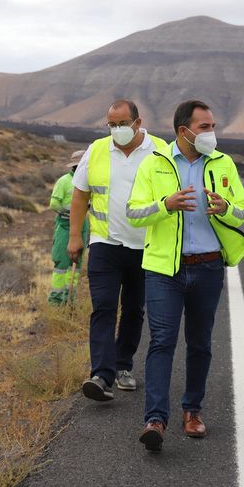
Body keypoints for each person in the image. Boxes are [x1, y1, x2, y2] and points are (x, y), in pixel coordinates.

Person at [127, 99, 244, 452]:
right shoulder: (154, 165)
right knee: (162, 342)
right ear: (184, 131)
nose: (212, 133)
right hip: (164, 270)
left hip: (209, 267)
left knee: (200, 343)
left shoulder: (224, 163)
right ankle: (155, 419)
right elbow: (134, 213)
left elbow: (242, 211)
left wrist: (226, 208)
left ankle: (193, 411)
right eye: (205, 127)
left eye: (213, 126)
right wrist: (165, 206)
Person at [68, 99, 166, 401]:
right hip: (104, 243)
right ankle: (101, 375)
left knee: (135, 309)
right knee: (104, 307)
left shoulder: (160, 149)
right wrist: (75, 237)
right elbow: (79, 195)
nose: (117, 130)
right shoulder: (97, 150)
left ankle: (123, 365)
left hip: (146, 246)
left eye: (122, 124)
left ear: (138, 122)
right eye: (111, 124)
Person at [48, 149, 88, 305]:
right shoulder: (64, 181)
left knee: (76, 263)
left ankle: (70, 298)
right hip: (64, 226)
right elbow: (54, 204)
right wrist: (70, 213)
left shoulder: (89, 182)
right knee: (62, 262)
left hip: (83, 224)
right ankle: (56, 301)